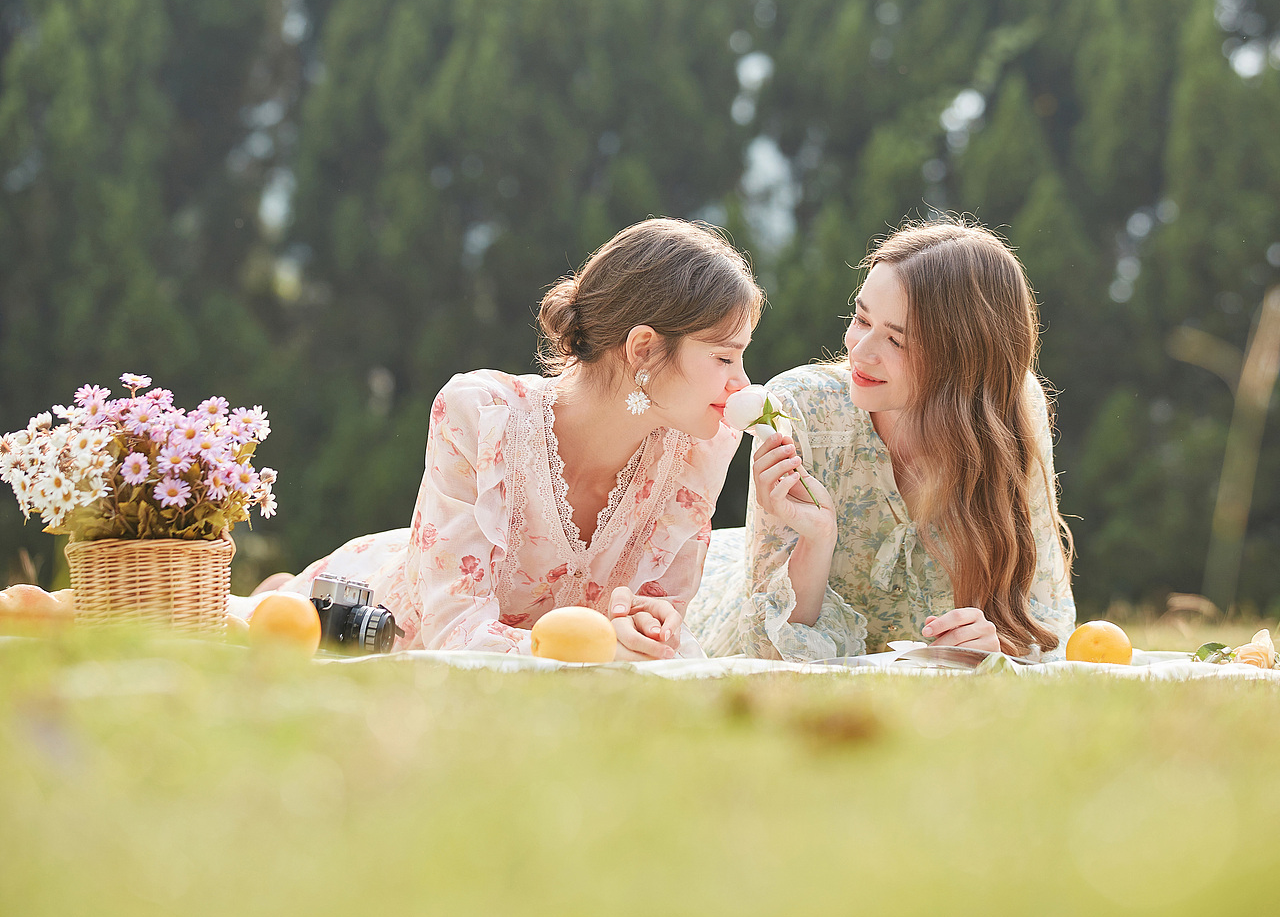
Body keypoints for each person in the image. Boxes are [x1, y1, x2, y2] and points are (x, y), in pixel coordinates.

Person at [271, 219, 761, 659]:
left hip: (565, 674)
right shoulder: (482, 416)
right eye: (724, 358)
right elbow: (454, 630)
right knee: (256, 617)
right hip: (382, 623)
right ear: (644, 348)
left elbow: (660, 617)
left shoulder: (701, 449)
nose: (741, 381)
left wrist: (646, 630)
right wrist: (601, 652)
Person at [688, 219, 1075, 663]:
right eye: (861, 318)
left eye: (896, 340)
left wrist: (1000, 646)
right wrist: (817, 538)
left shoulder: (1014, 407)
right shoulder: (800, 409)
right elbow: (768, 650)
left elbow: (1047, 617)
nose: (860, 350)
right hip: (732, 611)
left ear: (963, 358)